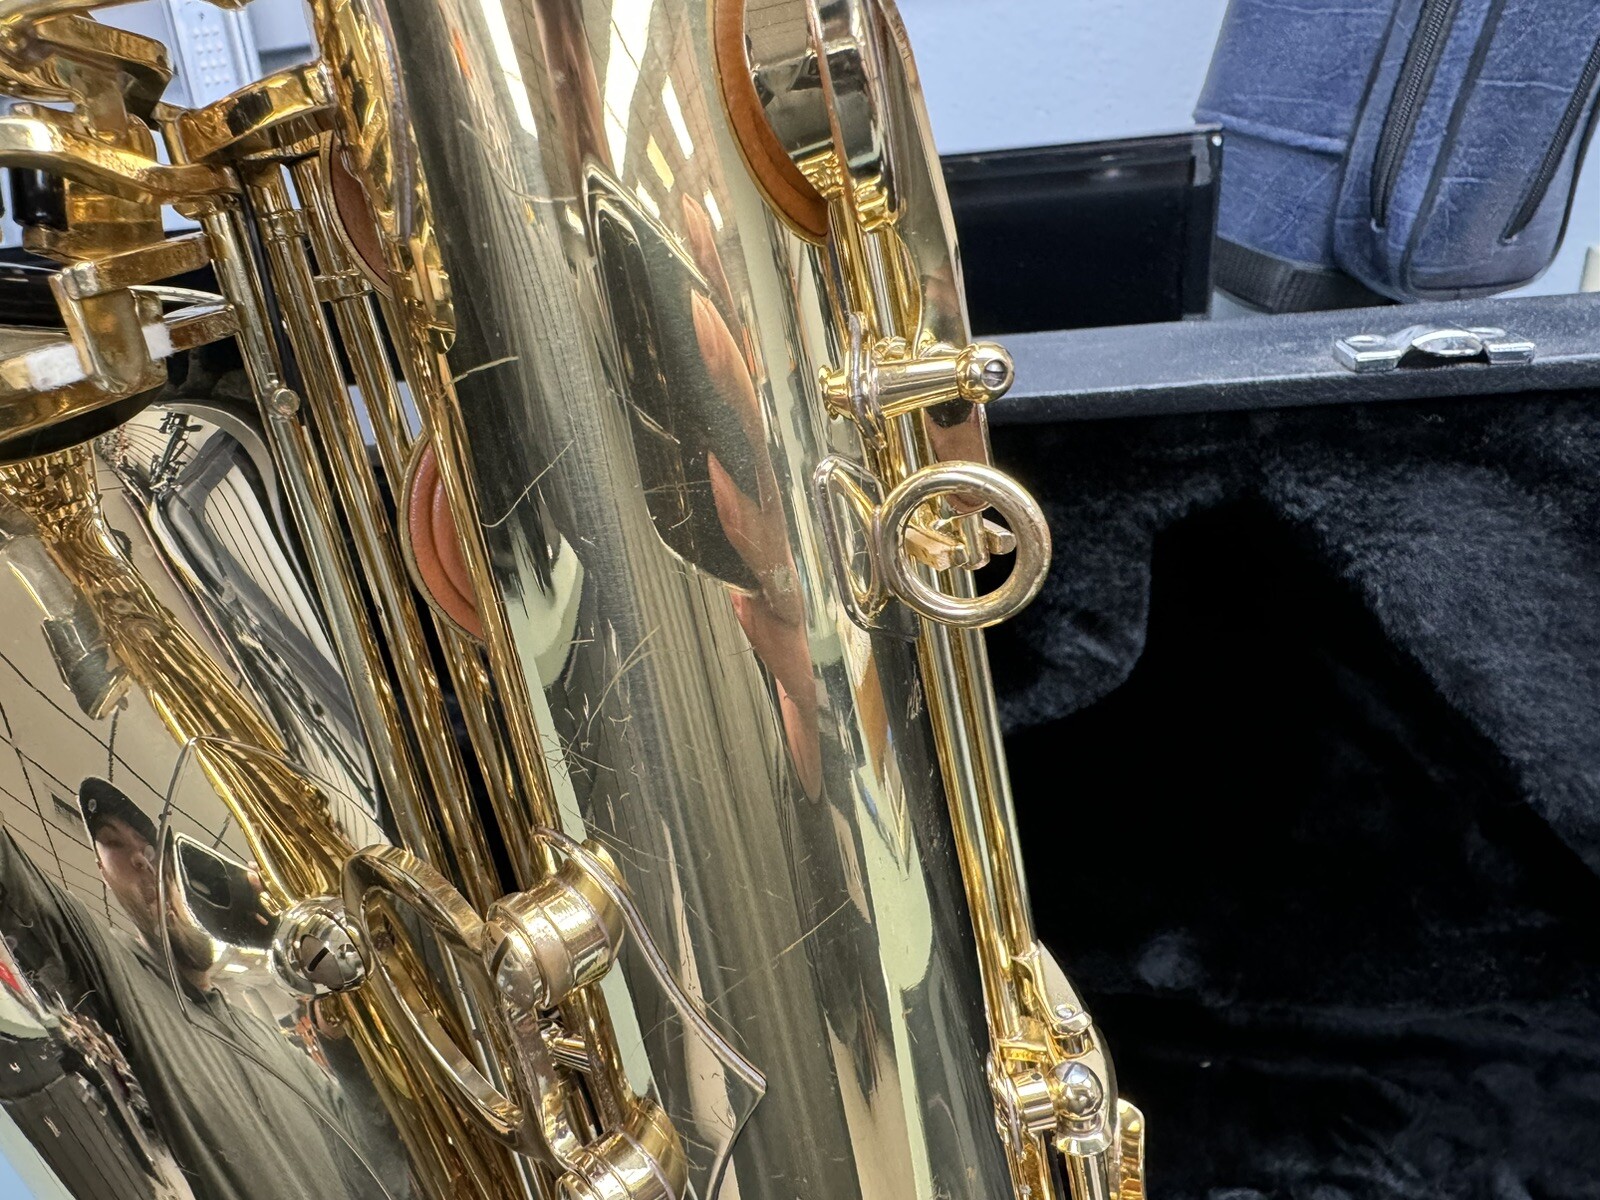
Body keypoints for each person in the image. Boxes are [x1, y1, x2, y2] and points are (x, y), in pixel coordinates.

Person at [0, 776, 401, 1200]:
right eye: (114, 842)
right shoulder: (115, 973)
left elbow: (380, 1170)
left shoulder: (271, 1042)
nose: (142, 857)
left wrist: (342, 1042)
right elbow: (17, 888)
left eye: (151, 841)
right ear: (104, 874)